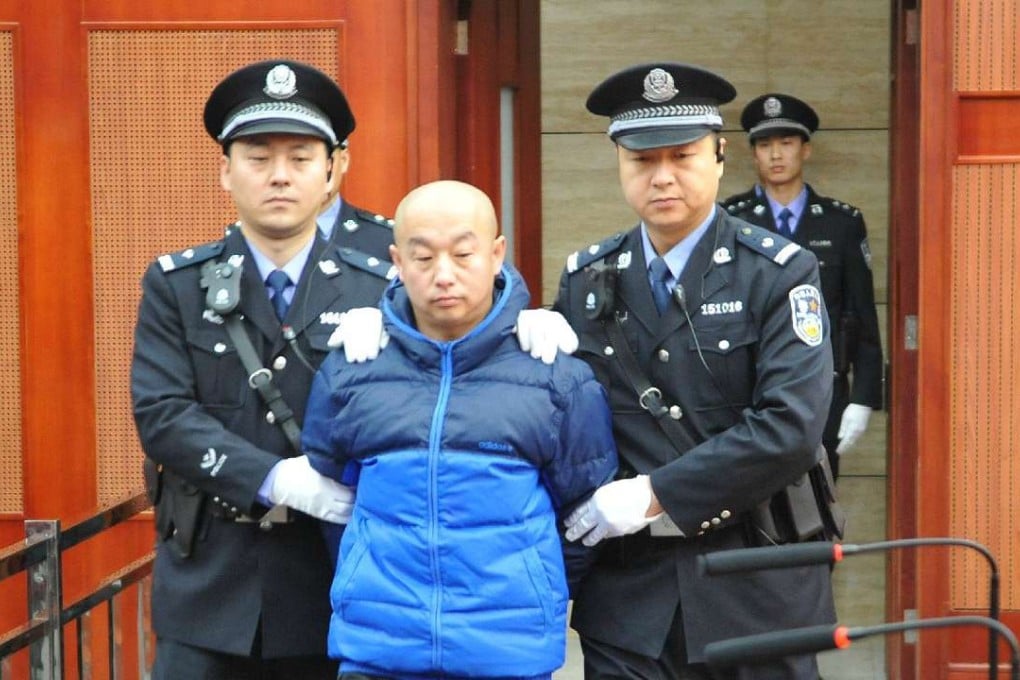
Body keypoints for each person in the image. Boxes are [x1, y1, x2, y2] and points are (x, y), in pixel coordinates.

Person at [555, 63, 837, 679]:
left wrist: (657, 493)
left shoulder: (778, 272)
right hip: (631, 597)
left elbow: (790, 428)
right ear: (620, 166)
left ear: (719, 155)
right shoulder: (585, 278)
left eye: (682, 156)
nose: (662, 177)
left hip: (756, 581)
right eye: (642, 161)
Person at [131, 59, 396, 679]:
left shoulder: (381, 286)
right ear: (225, 171)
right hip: (209, 589)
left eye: (301, 157)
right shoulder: (180, 283)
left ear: (331, 171)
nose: (279, 175)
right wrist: (273, 478)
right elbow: (162, 415)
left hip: (334, 581)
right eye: (257, 156)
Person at [301, 180, 619, 679]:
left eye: (463, 254)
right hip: (378, 652)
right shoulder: (352, 369)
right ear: (397, 262)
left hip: (507, 656)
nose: (443, 276)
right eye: (423, 259)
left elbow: (584, 515)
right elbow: (332, 503)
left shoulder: (555, 375)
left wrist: (532, 586)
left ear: (496, 255)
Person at [722, 93, 884, 478]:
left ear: (805, 150)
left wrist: (863, 398)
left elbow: (862, 314)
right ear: (753, 154)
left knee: (819, 506)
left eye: (787, 143)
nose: (776, 154)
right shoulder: (730, 221)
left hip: (822, 390)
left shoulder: (841, 223)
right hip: (748, 391)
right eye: (765, 145)